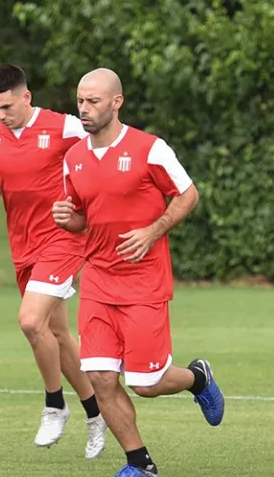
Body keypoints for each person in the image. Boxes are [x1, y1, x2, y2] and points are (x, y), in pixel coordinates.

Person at [52, 68, 224, 477]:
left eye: (93, 101)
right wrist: (67, 218)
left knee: (146, 384)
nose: (84, 109)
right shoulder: (73, 158)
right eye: (80, 101)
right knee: (100, 378)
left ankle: (198, 379)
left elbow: (188, 195)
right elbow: (82, 218)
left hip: (144, 282)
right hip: (95, 281)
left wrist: (153, 230)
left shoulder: (150, 149)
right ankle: (140, 464)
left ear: (117, 102)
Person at [0, 64, 106, 458]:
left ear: (26, 97)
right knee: (58, 335)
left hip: (62, 240)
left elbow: (104, 148)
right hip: (22, 245)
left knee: (30, 321)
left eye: (7, 106)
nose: (1, 115)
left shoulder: (64, 127)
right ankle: (95, 412)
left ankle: (54, 404)